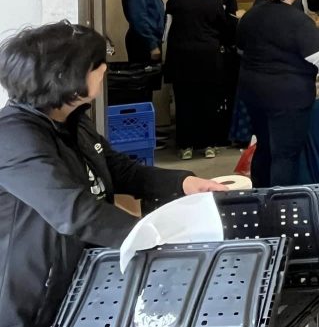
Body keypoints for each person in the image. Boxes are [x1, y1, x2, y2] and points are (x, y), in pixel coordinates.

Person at [0, 21, 227, 326]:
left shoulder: (72, 120)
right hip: (29, 296)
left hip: (80, 278)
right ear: (63, 75)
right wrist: (151, 237)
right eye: (97, 62)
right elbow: (74, 211)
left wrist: (183, 182)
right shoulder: (13, 136)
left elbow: (118, 168)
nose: (105, 67)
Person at [237, 0, 319, 187]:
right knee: (285, 155)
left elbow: (241, 49)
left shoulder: (252, 16)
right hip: (289, 97)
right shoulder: (298, 21)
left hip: (253, 93)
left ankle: (260, 198)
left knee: (263, 147)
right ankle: (280, 207)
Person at [165, 0, 231, 160]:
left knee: (184, 101)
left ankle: (185, 146)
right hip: (207, 58)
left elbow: (166, 26)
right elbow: (224, 31)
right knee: (208, 101)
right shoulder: (213, 3)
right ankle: (208, 144)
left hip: (181, 57)